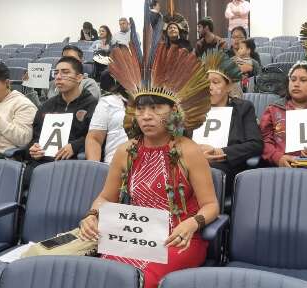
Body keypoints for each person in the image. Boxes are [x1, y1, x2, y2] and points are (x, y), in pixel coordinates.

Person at [79, 44, 219, 288]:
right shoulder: (126, 151)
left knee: (140, 280)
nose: (146, 116)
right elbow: (105, 198)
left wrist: (191, 223)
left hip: (179, 238)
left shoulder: (188, 150)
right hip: (134, 235)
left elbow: (211, 205)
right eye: (141, 108)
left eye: (156, 108)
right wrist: (92, 215)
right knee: (105, 276)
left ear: (173, 111)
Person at [200, 50, 263, 195]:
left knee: (208, 172)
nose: (209, 87)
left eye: (216, 82)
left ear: (228, 87)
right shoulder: (195, 110)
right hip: (195, 161)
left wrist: (220, 152)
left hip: (225, 166)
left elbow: (255, 144)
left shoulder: (243, 108)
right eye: (206, 83)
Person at [27, 57, 98, 180]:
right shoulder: (47, 105)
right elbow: (36, 136)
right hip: (42, 162)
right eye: (56, 73)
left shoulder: (93, 105)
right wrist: (34, 148)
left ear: (79, 78)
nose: (58, 77)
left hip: (72, 162)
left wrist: (75, 146)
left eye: (65, 72)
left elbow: (97, 137)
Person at [85, 70, 128, 164]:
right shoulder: (108, 102)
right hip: (113, 167)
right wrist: (95, 169)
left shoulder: (162, 102)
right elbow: (94, 139)